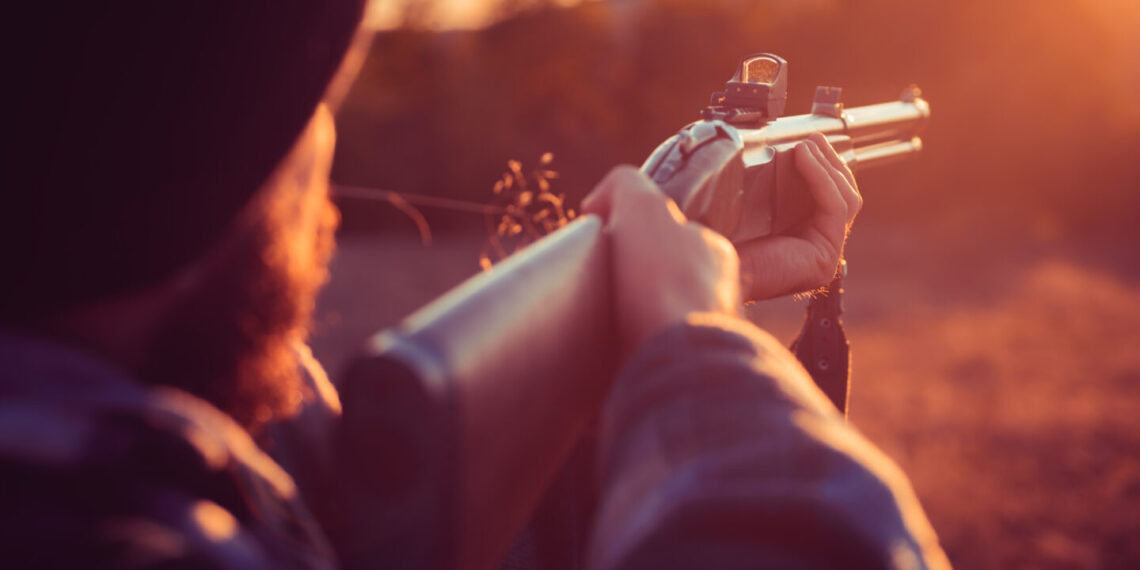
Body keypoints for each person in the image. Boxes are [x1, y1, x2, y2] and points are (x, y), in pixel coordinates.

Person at [0, 2, 950, 569]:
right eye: (318, 111)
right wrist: (696, 348)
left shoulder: (152, 469)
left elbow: (362, 535)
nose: (325, 181)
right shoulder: (139, 539)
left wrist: (611, 352)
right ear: (211, 171)